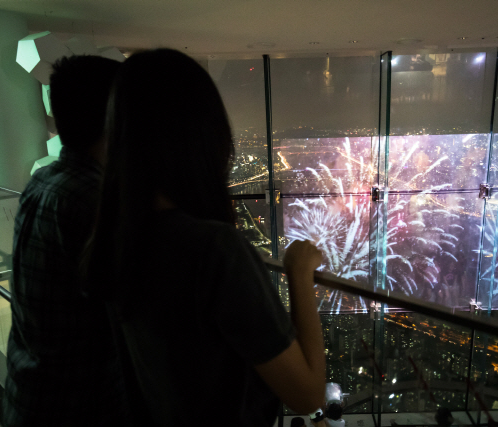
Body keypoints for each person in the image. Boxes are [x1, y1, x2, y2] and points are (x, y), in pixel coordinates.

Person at [85, 48, 326, 426]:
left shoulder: (114, 238)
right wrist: (300, 273)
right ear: (202, 135)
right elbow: (308, 395)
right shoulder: (215, 251)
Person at [4, 56, 124, 426]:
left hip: (30, 395)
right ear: (115, 116)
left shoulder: (43, 183)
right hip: (78, 407)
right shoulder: (94, 200)